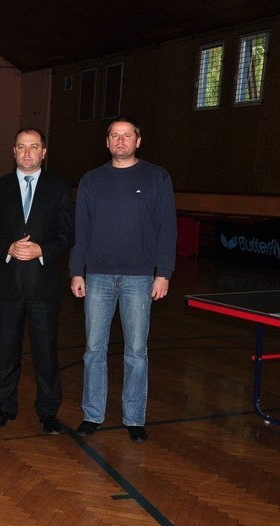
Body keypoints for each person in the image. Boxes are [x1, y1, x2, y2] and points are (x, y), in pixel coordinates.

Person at [69, 115, 176, 442]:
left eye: (127, 136)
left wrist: (164, 273)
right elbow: (81, 232)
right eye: (115, 136)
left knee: (136, 352)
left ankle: (134, 418)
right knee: (94, 350)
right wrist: (77, 270)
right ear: (107, 142)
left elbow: (167, 229)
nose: (120, 141)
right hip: (97, 276)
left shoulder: (157, 177)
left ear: (138, 141)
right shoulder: (91, 180)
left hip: (140, 278)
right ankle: (92, 414)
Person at [0, 128, 75, 435]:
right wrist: (7, 247)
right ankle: (6, 406)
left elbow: (68, 234)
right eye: (21, 147)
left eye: (34, 147)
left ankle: (48, 410)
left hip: (43, 286)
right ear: (14, 151)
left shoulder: (59, 189)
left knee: (46, 352)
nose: (27, 152)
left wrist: (42, 250)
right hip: (8, 285)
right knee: (7, 351)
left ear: (44, 152)